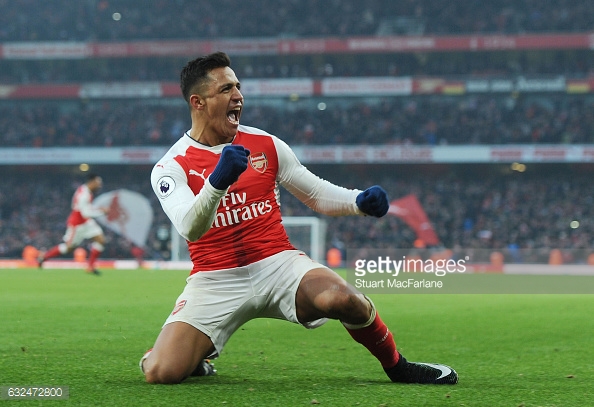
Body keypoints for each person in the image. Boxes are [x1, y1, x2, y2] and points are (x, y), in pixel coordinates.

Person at [141, 52, 458, 385]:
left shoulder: (266, 145)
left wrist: (359, 202)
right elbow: (190, 227)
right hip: (215, 278)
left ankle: (398, 366)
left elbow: (316, 194)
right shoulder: (171, 166)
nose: (238, 96)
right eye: (225, 90)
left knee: (347, 300)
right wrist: (218, 181)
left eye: (238, 87)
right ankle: (188, 356)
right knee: (161, 372)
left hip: (278, 264)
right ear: (198, 102)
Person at [38, 173, 107, 275]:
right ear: (91, 182)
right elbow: (86, 213)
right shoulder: (83, 195)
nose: (100, 185)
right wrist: (102, 212)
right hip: (77, 225)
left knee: (101, 240)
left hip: (86, 222)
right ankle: (44, 257)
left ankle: (90, 267)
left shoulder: (85, 191)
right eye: (98, 183)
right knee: (68, 248)